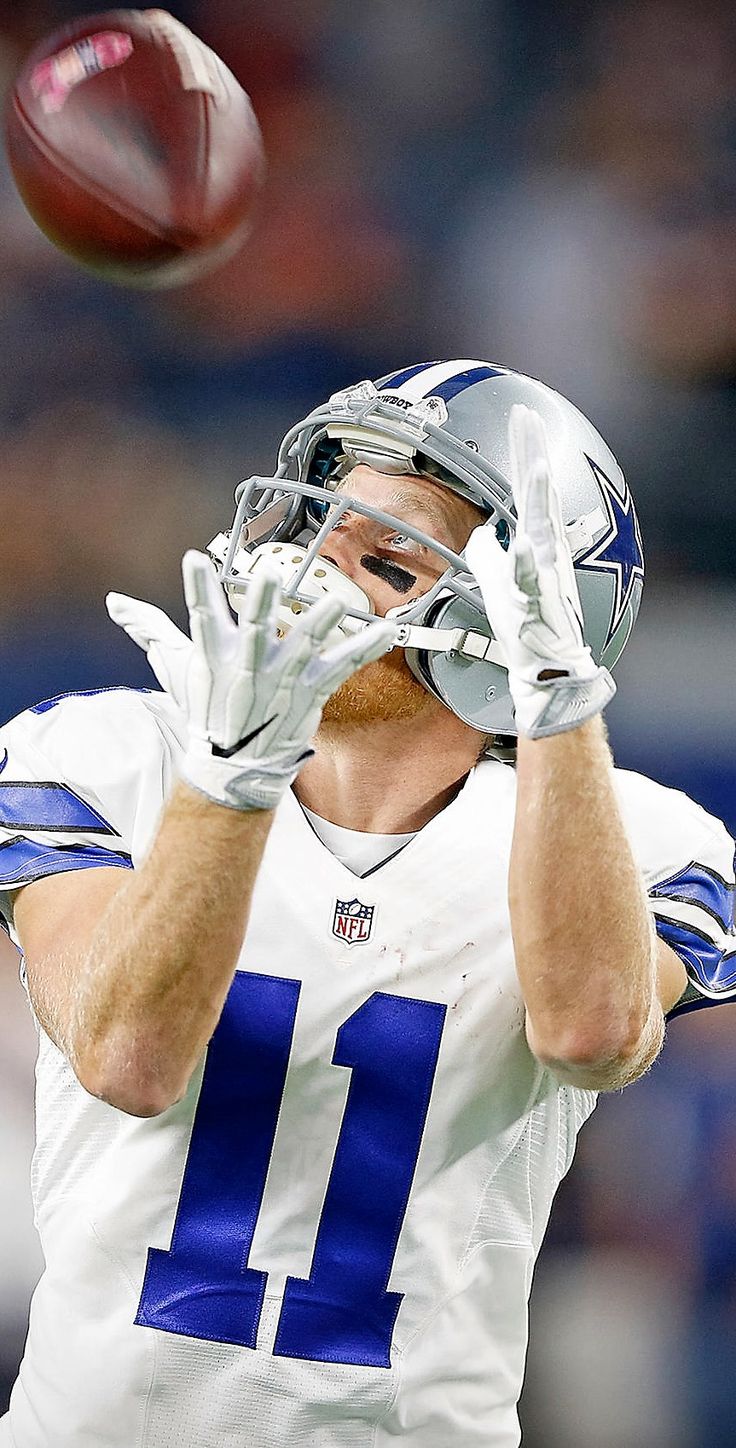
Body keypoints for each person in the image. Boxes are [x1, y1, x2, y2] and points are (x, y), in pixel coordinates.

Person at [0, 359, 733, 1448]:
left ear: (516, 617)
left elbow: (591, 1033)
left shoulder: (632, 835)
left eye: (384, 553)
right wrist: (231, 779)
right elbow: (127, 1056)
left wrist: (558, 712)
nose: (313, 568)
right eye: (313, 523)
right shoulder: (107, 754)